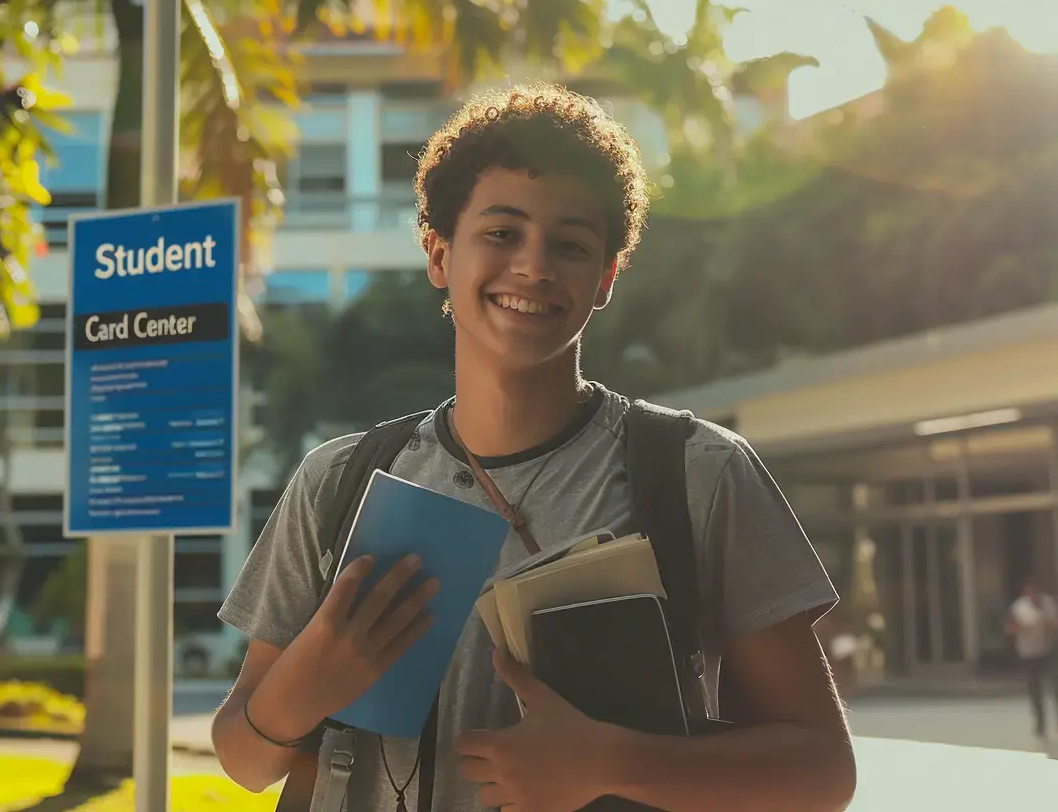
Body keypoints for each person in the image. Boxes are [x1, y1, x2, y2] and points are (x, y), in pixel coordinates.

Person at [211, 83, 858, 812]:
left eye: (572, 244)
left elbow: (823, 773)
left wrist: (613, 762)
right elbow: (243, 757)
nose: (534, 265)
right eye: (501, 232)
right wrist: (305, 684)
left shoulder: (699, 474)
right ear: (438, 252)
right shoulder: (339, 483)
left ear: (606, 277)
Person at [1006, 581, 1058, 743]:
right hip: (1028, 653)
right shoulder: (1019, 607)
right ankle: (1040, 725)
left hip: (1048, 651)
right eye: (1029, 593)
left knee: (1055, 687)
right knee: (1035, 691)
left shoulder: (1048, 603)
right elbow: (1009, 628)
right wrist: (1021, 626)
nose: (1033, 595)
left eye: (1035, 592)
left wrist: (1047, 622)